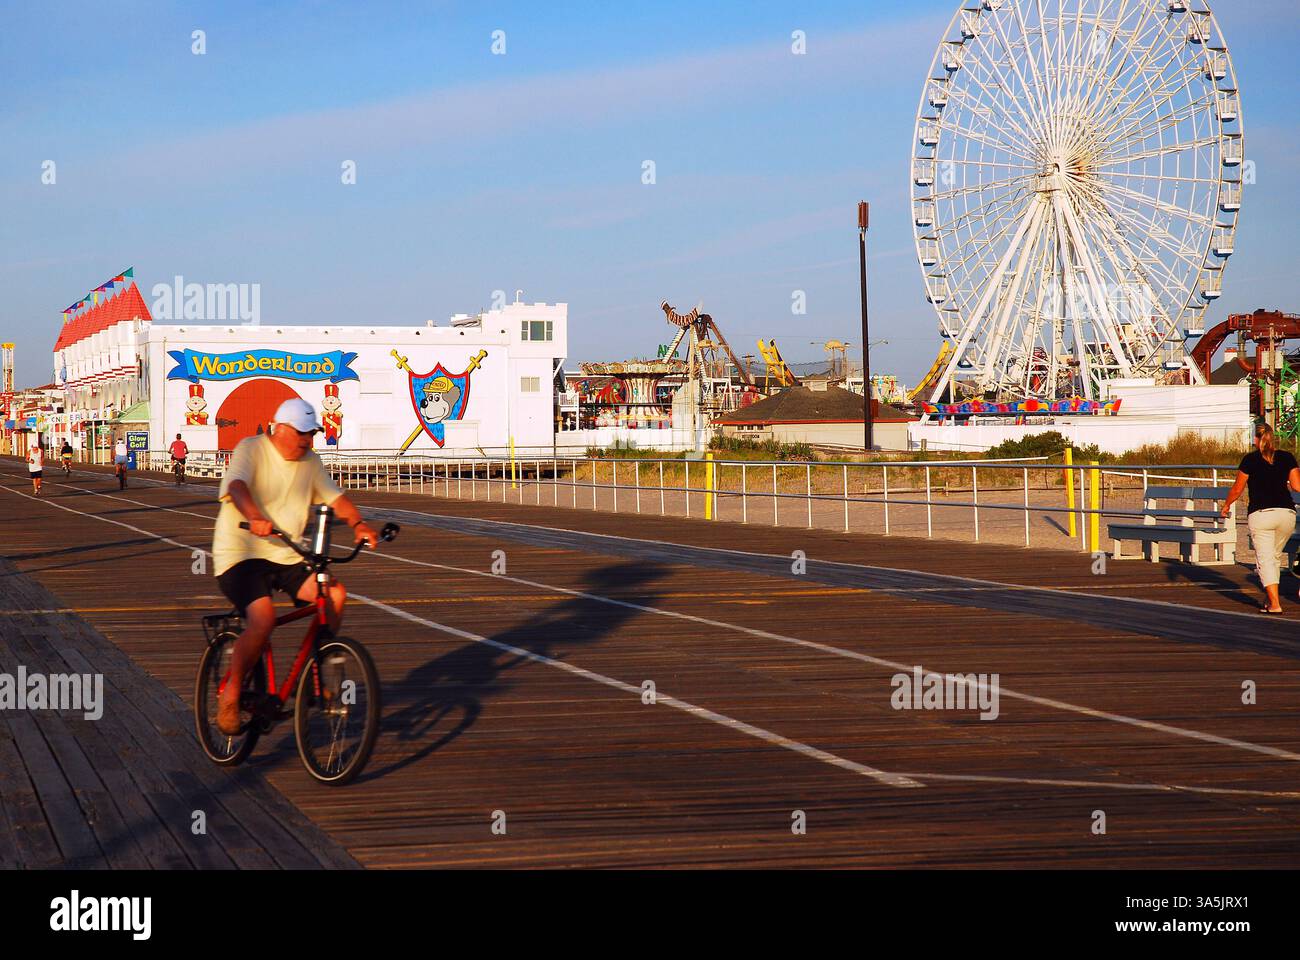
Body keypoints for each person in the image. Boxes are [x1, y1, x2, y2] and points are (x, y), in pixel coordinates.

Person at [212, 398, 379, 734]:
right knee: (263, 620)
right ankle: (229, 697)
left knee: (334, 596)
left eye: (312, 434)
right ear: (281, 429)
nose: (308, 440)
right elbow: (237, 486)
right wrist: (255, 517)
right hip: (241, 554)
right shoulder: (253, 448)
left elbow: (335, 498)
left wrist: (358, 523)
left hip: (288, 554)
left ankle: (321, 663)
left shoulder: (311, 461)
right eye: (303, 434)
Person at [1220, 423, 1300, 614]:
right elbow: (1297, 486)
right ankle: (1269, 597)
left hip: (1261, 515)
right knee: (1273, 557)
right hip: (1286, 515)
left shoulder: (1250, 460)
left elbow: (1237, 489)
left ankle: (1275, 604)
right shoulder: (1286, 457)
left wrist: (1226, 505)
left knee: (1265, 560)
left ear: (1255, 439)